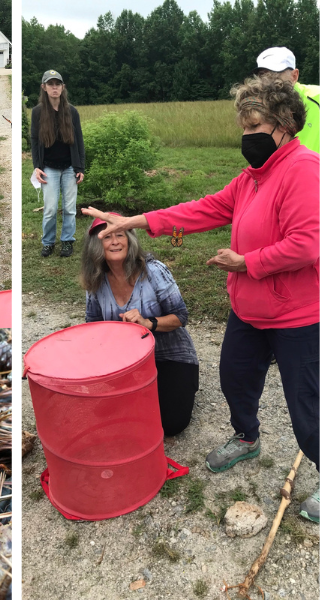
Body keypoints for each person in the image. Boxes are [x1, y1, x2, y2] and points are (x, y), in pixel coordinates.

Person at [83, 75, 319, 523]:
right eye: (244, 128)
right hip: (249, 311)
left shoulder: (303, 169)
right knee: (234, 377)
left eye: (255, 126)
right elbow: (204, 208)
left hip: (296, 316)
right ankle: (247, 438)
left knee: (307, 404)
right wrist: (132, 221)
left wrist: (247, 262)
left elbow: (308, 244)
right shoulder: (254, 176)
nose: (247, 137)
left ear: (285, 123)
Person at [80, 213, 199, 436]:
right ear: (96, 246)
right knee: (102, 415)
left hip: (169, 356)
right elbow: (92, 325)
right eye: (107, 237)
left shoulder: (153, 271)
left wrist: (147, 322)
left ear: (130, 239)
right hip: (126, 361)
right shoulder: (96, 280)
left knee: (171, 424)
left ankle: (179, 385)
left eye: (120, 235)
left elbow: (181, 316)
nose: (115, 241)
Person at [31, 69, 86, 258]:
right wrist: (36, 166)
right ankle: (48, 242)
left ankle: (67, 241)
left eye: (58, 84)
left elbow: (78, 140)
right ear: (44, 87)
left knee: (70, 208)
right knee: (51, 208)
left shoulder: (71, 111)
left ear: (63, 88)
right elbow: (35, 140)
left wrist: (80, 167)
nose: (54, 88)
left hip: (70, 167)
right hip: (48, 168)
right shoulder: (38, 112)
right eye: (50, 84)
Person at [255, 47, 319, 153]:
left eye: (275, 76)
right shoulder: (259, 106)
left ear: (294, 76)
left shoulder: (317, 98)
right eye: (262, 76)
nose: (268, 82)